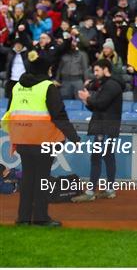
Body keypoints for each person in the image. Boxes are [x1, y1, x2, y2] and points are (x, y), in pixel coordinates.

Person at [1, 50, 80, 226]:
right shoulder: (47, 87)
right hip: (43, 141)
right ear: (47, 69)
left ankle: (23, 218)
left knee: (28, 179)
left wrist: (14, 138)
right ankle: (40, 218)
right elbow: (59, 115)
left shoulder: (17, 87)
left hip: (23, 139)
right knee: (42, 180)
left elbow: (10, 114)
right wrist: (74, 138)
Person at [72, 59, 124, 202]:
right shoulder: (106, 85)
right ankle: (109, 189)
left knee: (98, 157)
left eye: (97, 70)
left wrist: (88, 98)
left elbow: (100, 103)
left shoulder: (111, 85)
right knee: (107, 156)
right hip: (104, 125)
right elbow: (96, 106)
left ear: (105, 69)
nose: (95, 74)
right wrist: (86, 100)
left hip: (106, 126)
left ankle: (91, 192)